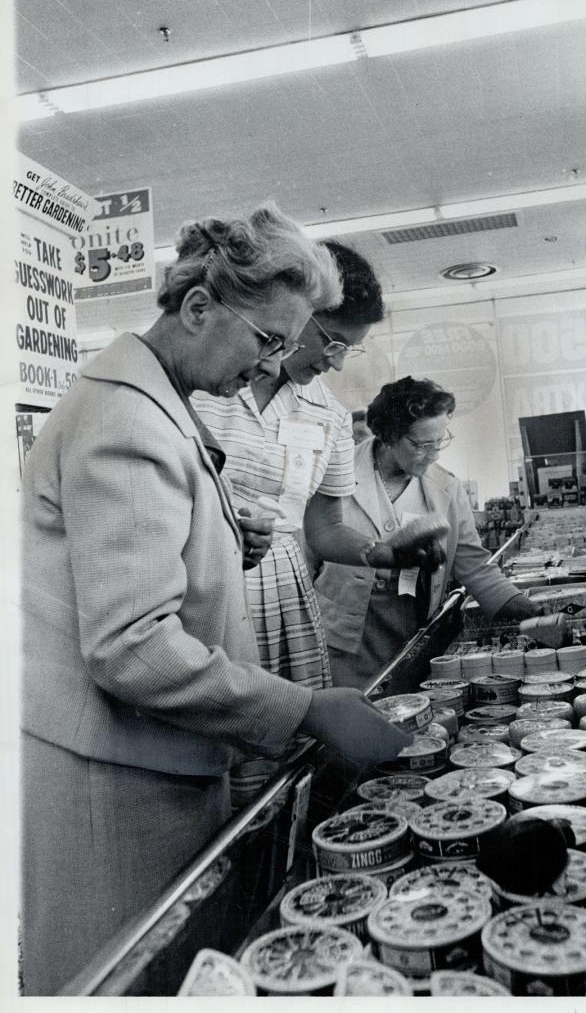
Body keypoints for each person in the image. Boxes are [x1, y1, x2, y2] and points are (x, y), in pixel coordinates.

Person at [20, 207, 411, 996]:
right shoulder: (129, 421)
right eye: (267, 340)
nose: (270, 363)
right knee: (135, 976)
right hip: (121, 776)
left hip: (150, 750)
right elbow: (131, 646)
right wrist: (304, 708)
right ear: (198, 308)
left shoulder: (153, 397)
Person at [191, 242, 443, 803]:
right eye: (331, 341)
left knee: (289, 757)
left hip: (284, 594)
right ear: (296, 311)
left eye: (346, 351)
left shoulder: (325, 414)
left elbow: (322, 528)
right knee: (216, 751)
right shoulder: (204, 388)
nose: (333, 361)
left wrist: (384, 552)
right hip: (206, 587)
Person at [314, 376, 543, 690]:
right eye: (423, 444)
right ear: (390, 435)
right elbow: (306, 559)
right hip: (347, 638)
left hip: (413, 633)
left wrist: (526, 607)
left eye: (441, 441)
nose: (434, 454)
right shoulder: (334, 473)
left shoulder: (446, 488)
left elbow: (474, 567)